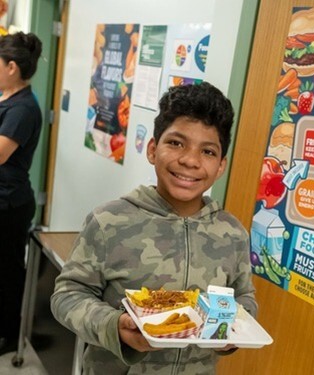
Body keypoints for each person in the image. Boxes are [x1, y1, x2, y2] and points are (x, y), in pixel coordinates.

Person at [51, 82, 257, 374]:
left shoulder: (233, 233)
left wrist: (234, 329)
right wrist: (114, 326)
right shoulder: (109, 221)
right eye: (175, 143)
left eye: (208, 151)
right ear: (152, 149)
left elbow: (244, 297)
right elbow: (67, 295)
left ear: (221, 166)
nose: (189, 160)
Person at [0, 32, 43, 356]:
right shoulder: (7, 98)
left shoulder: (24, 108)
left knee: (7, 271)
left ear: (12, 67)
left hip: (9, 204)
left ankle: (9, 335)